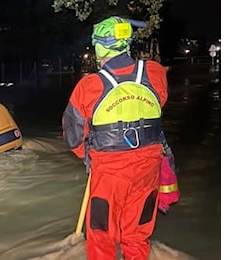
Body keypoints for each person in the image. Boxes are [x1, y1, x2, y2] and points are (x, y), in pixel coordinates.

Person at [62, 16, 169, 260]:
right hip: (148, 169)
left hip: (109, 172)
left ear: (100, 47)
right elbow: (157, 105)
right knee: (137, 235)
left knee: (101, 236)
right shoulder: (155, 72)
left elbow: (72, 134)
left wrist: (89, 156)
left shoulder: (89, 86)